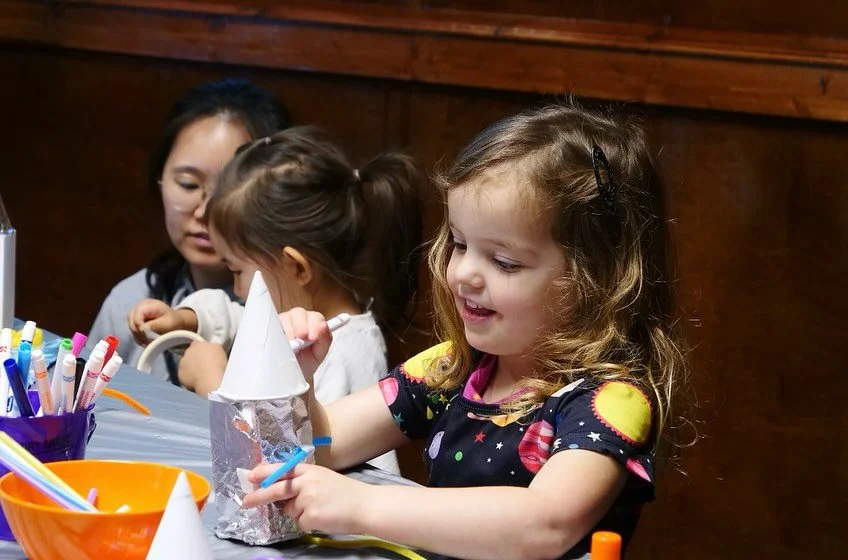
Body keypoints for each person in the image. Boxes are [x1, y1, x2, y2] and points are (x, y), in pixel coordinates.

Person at [242, 101, 689, 560]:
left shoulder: (609, 401)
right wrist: (296, 377)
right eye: (459, 243)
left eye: (504, 261)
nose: (463, 274)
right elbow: (325, 443)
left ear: (594, 281)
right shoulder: (453, 368)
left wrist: (363, 505)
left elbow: (544, 525)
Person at [128, 127, 424, 473]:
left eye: (236, 271)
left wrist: (214, 384)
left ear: (296, 267)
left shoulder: (343, 357)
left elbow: (286, 457)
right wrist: (187, 318)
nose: (236, 289)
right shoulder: (303, 310)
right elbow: (237, 314)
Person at [89, 79, 290, 383]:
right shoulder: (132, 300)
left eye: (229, 190)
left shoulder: (294, 323)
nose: (204, 212)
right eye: (188, 184)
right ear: (159, 181)